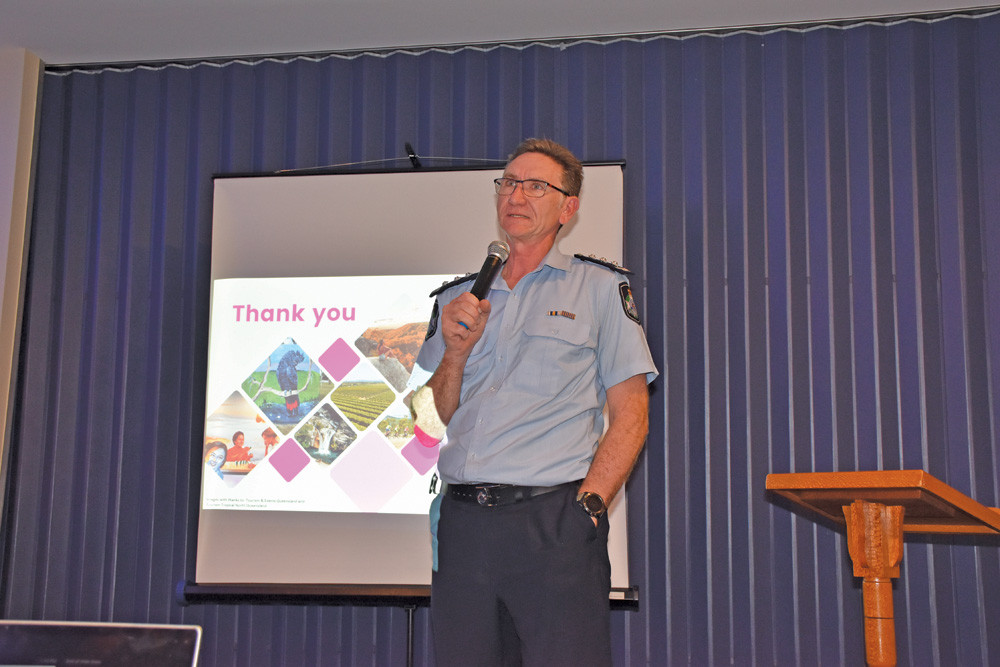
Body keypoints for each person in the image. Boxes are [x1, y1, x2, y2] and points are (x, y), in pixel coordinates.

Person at [414, 138, 657, 665]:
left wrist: (589, 508)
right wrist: (455, 354)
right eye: (507, 183)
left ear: (568, 207)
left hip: (552, 524)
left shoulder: (598, 289)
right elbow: (428, 424)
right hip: (462, 529)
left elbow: (631, 413)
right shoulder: (458, 300)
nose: (516, 195)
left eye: (535, 186)